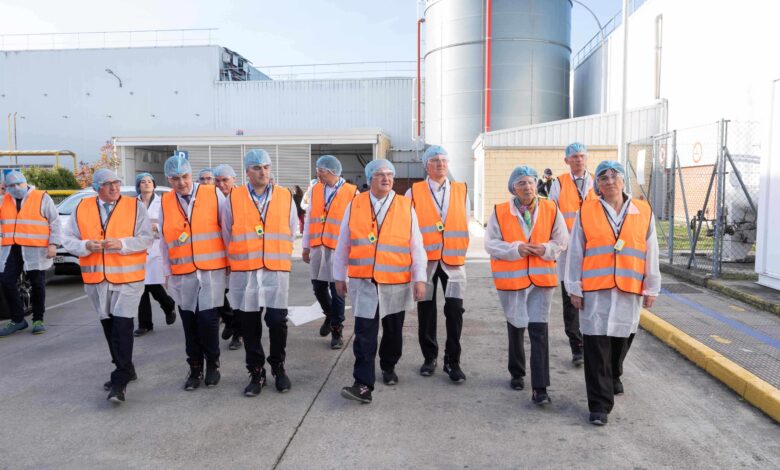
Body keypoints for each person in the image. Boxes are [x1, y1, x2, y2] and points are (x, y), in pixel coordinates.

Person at [565, 160, 660, 425]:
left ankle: (614, 372)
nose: (609, 182)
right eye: (603, 178)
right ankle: (599, 405)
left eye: (614, 176)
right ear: (597, 184)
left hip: (629, 287)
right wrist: (574, 287)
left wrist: (652, 286)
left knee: (622, 337)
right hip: (596, 289)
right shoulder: (587, 210)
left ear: (623, 181)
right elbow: (575, 251)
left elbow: (651, 251)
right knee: (596, 344)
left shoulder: (643, 211)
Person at [334, 159, 427, 404]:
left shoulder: (405, 205)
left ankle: (388, 365)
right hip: (364, 281)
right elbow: (343, 242)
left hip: (396, 281)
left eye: (389, 174)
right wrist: (339, 275)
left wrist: (420, 278)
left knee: (393, 332)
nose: (386, 178)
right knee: (364, 333)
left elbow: (416, 245)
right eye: (379, 174)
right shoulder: (355, 204)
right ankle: (363, 384)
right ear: (369, 179)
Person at [62, 169, 152, 403]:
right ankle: (126, 367)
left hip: (128, 278)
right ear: (96, 187)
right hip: (97, 280)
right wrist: (85, 245)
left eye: (116, 182)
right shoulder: (82, 207)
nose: (114, 187)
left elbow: (146, 238)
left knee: (122, 326)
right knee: (109, 327)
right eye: (107, 184)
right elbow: (67, 239)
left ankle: (119, 381)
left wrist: (121, 244)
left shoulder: (135, 207)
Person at [485, 166, 568, 405]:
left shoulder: (551, 208)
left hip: (541, 279)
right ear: (513, 188)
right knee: (516, 325)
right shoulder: (500, 211)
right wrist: (515, 249)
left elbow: (562, 239)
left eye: (530, 182)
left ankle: (540, 388)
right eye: (521, 183)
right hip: (512, 278)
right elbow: (491, 243)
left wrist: (546, 249)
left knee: (539, 330)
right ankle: (517, 372)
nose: (527, 187)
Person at [220, 149, 296, 396]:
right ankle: (256, 372)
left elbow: (291, 229)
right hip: (246, 271)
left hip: (275, 269)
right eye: (256, 168)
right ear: (247, 172)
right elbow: (227, 232)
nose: (262, 172)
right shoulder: (234, 197)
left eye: (266, 167)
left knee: (277, 321)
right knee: (249, 325)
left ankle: (278, 367)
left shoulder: (285, 196)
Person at [160, 154, 228, 391]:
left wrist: (230, 263)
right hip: (182, 272)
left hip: (210, 270)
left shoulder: (213, 193)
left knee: (208, 320)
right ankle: (195, 367)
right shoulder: (165, 201)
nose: (181, 182)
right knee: (189, 323)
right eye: (175, 178)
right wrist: (166, 272)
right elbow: (164, 241)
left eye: (185, 176)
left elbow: (226, 229)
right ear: (168, 180)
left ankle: (213, 364)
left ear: (191, 174)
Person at [405, 145, 469, 382]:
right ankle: (429, 357)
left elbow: (464, 221)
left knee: (455, 311)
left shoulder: (461, 190)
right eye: (435, 161)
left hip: (453, 262)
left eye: (444, 160)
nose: (441, 164)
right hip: (426, 261)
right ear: (426, 166)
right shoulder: (413, 192)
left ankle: (453, 361)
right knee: (426, 312)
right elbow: (407, 227)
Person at [548, 142, 597, 366]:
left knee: (591, 296)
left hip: (593, 249)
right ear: (566, 160)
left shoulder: (596, 181)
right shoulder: (559, 183)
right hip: (568, 250)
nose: (579, 160)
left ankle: (590, 339)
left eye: (582, 156)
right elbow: (552, 214)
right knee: (570, 297)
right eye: (575, 156)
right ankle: (576, 345)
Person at [302, 155, 358, 349]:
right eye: (317, 171)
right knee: (318, 287)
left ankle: (336, 330)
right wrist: (305, 246)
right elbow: (309, 219)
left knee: (337, 290)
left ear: (333, 172)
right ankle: (330, 314)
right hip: (318, 247)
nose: (318, 175)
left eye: (321, 172)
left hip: (338, 249)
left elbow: (357, 223)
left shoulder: (352, 192)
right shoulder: (316, 189)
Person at [0, 171, 61, 337]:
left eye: (18, 184)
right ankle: (18, 319)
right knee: (6, 281)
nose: (16, 188)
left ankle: (38, 320)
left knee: (37, 283)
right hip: (12, 248)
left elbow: (55, 222)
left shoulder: (42, 197)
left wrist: (53, 244)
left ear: (25, 182)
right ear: (6, 187)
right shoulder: (4, 199)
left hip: (35, 248)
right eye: (11, 185)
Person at [133, 173, 176, 336]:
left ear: (154, 184)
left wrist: (156, 228)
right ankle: (144, 324)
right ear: (138, 186)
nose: (146, 184)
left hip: (157, 248)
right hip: (138, 248)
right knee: (141, 287)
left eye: (149, 181)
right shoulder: (132, 204)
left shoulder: (162, 202)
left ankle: (168, 304)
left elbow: (169, 223)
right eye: (143, 182)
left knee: (152, 284)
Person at [213, 164, 242, 351]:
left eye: (225, 180)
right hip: (215, 255)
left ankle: (238, 334)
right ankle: (230, 320)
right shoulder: (211, 199)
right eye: (217, 181)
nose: (221, 184)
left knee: (238, 296)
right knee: (217, 293)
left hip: (237, 255)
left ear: (234, 179)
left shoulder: (241, 199)